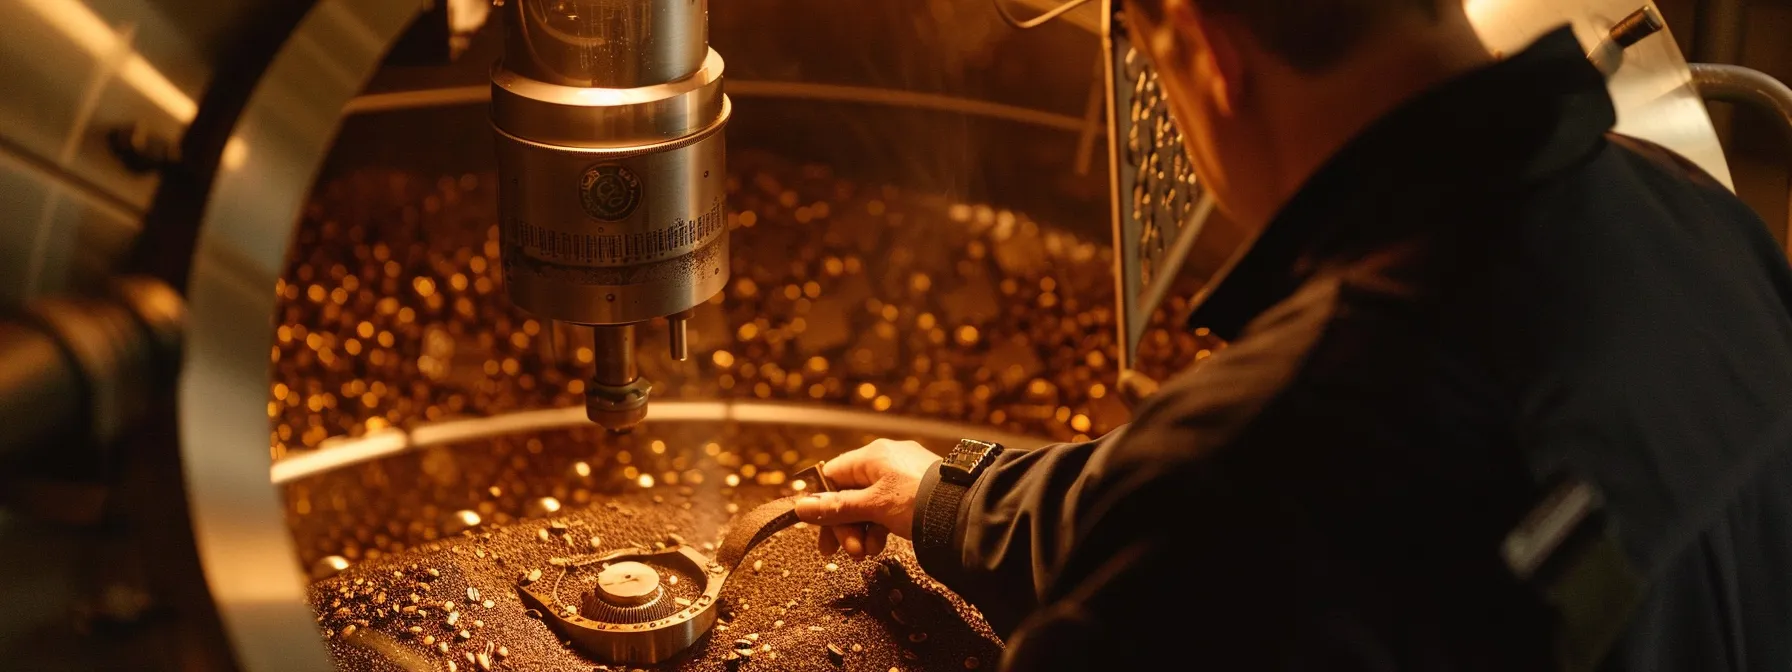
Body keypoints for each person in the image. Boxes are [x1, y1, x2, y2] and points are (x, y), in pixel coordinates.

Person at [790, 0, 1792, 670]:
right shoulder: (1693, 216)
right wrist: (948, 497)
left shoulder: (1268, 469)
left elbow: (1253, 502)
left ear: (1205, 50)